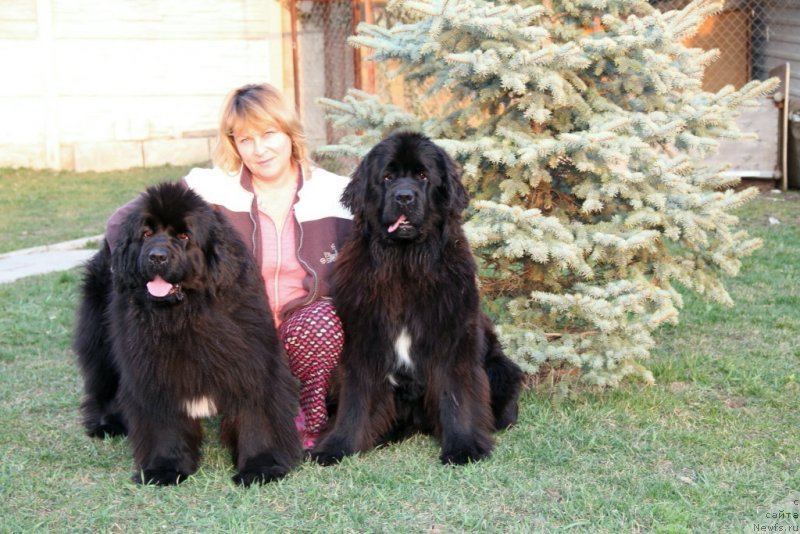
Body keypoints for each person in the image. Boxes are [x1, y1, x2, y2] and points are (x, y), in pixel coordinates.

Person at [107, 83, 352, 450]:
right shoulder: (209, 188)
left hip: (301, 329)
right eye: (245, 139)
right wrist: (135, 275)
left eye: (269, 134)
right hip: (235, 333)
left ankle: (310, 411)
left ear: (289, 133)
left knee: (318, 322)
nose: (259, 149)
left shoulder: (335, 193)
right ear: (233, 143)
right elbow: (120, 224)